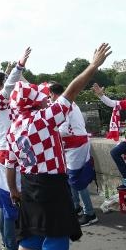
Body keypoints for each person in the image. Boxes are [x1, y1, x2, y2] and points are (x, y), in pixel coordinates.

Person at [7, 43, 112, 250]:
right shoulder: (42, 119)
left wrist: (13, 190)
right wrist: (93, 65)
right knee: (55, 238)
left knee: (29, 235)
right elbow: (71, 91)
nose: (44, 98)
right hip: (51, 184)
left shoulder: (14, 128)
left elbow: (10, 165)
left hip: (28, 183)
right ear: (34, 103)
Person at [0, 47, 36, 250]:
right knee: (13, 205)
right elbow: (9, 88)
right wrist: (19, 67)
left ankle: (8, 244)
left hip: (3, 155)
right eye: (4, 83)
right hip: (8, 157)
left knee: (7, 206)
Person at [49, 84, 97, 227]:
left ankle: (90, 213)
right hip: (75, 143)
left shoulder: (62, 105)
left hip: (76, 144)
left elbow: (63, 130)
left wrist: (49, 132)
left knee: (76, 179)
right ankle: (76, 206)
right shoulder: (69, 102)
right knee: (71, 177)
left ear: (52, 94)